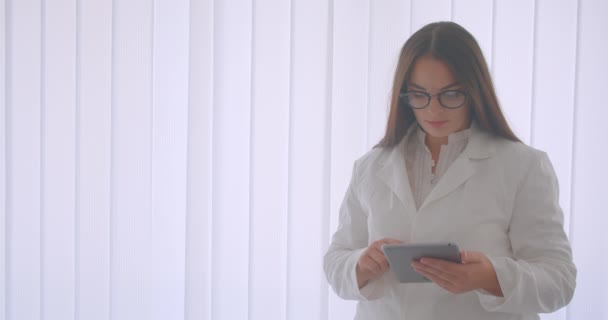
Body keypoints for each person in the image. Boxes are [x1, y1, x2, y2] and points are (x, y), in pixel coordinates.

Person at [323, 21, 576, 319]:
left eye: (451, 94)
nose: (433, 110)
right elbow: (336, 259)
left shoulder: (522, 166)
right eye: (419, 94)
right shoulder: (371, 166)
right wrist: (360, 265)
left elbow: (559, 281)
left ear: (474, 90)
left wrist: (491, 277)